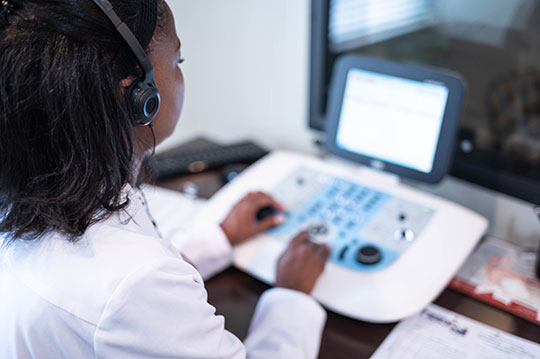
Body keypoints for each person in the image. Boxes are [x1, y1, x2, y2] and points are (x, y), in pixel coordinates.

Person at [0, 0, 331, 358]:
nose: (181, 75)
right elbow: (131, 294)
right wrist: (291, 297)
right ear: (138, 95)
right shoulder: (135, 282)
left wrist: (219, 239)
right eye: (178, 62)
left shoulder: (24, 197)